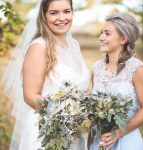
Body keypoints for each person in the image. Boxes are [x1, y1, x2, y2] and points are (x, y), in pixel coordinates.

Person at [2, 0, 89, 150]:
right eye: (54, 13)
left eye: (67, 11)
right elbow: (30, 96)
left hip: (74, 132)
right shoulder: (39, 47)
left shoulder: (74, 45)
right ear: (43, 15)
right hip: (46, 131)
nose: (62, 18)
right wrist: (65, 115)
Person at [89, 12, 143, 150]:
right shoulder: (95, 69)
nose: (101, 38)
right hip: (99, 142)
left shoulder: (137, 69)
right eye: (101, 33)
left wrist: (118, 133)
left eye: (107, 33)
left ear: (123, 39)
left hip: (127, 141)